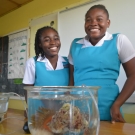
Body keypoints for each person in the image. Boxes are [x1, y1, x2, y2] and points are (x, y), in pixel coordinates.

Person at [68, 4, 135, 123]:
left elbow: (133, 75)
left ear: (108, 23)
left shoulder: (119, 40)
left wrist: (117, 105)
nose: (93, 23)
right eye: (88, 20)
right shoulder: (75, 44)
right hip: (78, 112)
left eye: (99, 19)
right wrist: (68, 104)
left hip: (109, 111)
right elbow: (72, 77)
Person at [22, 26, 69, 133]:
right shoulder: (33, 63)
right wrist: (29, 108)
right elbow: (27, 89)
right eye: (47, 40)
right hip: (41, 112)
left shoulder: (67, 62)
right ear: (40, 44)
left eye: (56, 38)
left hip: (63, 113)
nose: (53, 42)